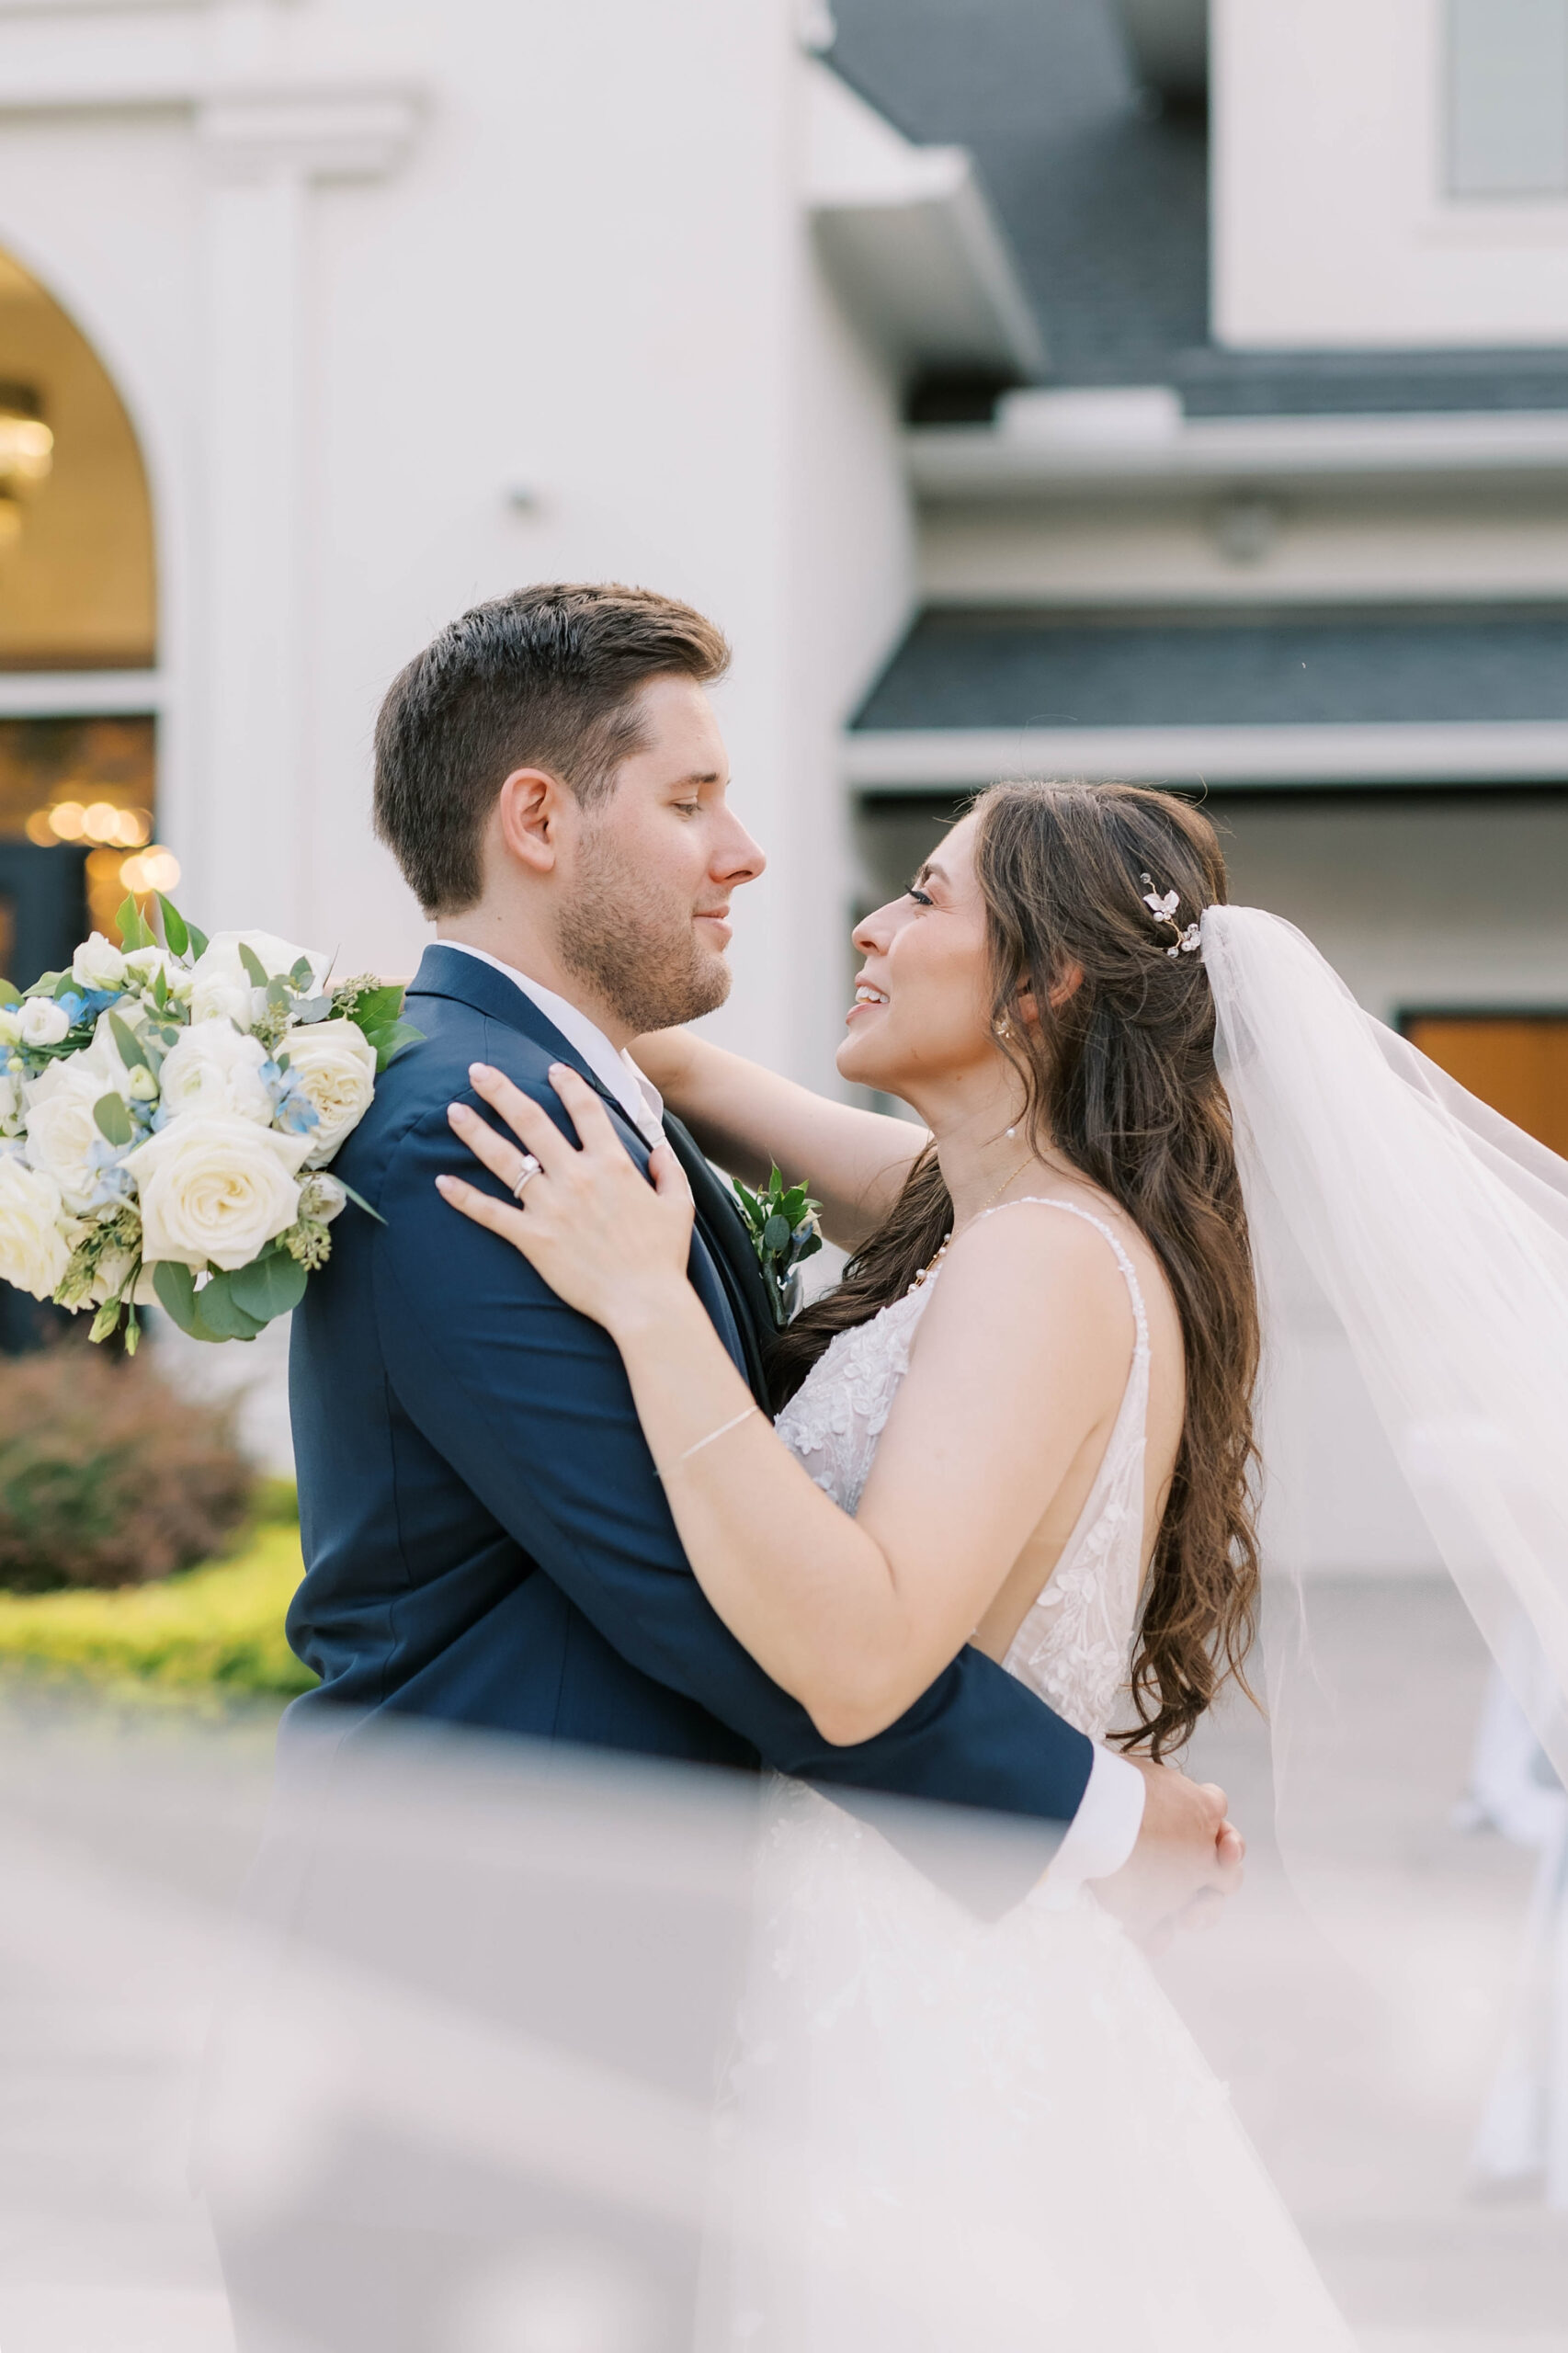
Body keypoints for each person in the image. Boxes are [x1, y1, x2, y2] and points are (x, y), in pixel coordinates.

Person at [286, 583, 1235, 1906]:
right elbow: (696, 1598)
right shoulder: (479, 1126)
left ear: (1043, 984)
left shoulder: (1016, 1226)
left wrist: (559, 1021)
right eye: (690, 804)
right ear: (538, 819)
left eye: (923, 900)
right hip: (492, 1936)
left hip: (686, 1934)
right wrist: (1088, 1813)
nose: (746, 854)